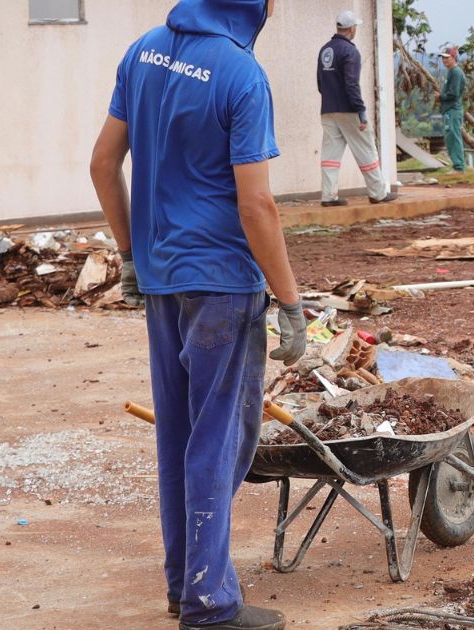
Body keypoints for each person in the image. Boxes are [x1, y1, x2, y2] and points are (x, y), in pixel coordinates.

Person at [89, 1, 306, 629]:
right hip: (222, 284)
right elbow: (257, 204)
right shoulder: (241, 74)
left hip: (161, 279)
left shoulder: (144, 50)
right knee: (217, 437)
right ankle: (210, 603)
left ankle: (184, 583)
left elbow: (103, 163)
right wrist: (289, 300)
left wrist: (129, 254)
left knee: (178, 433)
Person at [317, 9, 397, 207]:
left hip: (328, 110)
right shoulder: (350, 51)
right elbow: (351, 83)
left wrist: (329, 99)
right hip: (348, 110)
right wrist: (360, 111)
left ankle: (328, 196)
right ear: (352, 29)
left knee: (330, 156)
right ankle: (378, 193)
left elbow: (320, 82)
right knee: (366, 149)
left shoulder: (325, 50)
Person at [436, 46, 466, 172]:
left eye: (447, 58)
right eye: (443, 58)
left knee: (454, 136)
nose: (444, 60)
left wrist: (440, 97)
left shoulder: (455, 72)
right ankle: (457, 166)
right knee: (450, 136)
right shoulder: (452, 72)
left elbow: (453, 94)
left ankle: (459, 167)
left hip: (453, 109)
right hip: (450, 110)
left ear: (453, 57)